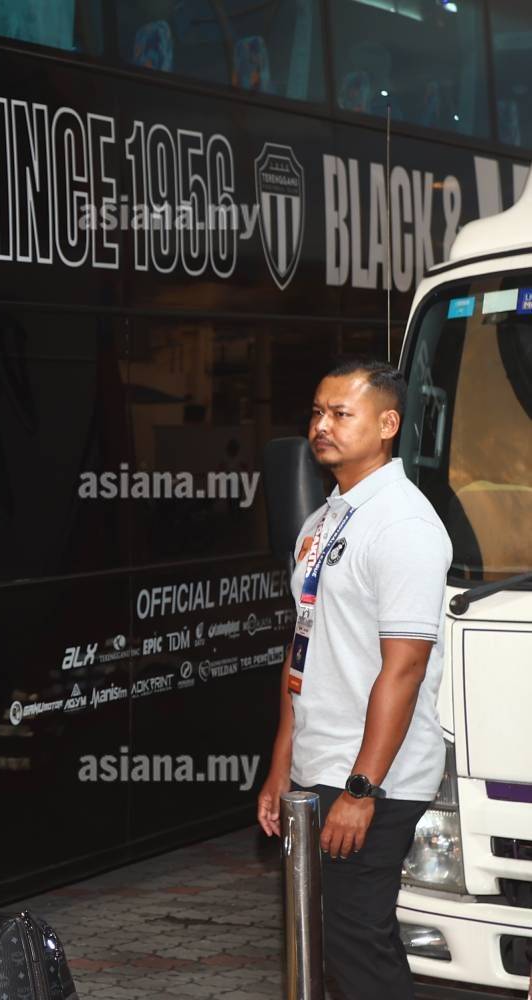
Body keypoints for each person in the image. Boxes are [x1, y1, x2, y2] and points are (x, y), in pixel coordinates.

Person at [257, 358, 452, 999]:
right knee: (329, 939)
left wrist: (361, 789)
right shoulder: (323, 521)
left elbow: (405, 667)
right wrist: (281, 767)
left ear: (388, 425)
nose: (322, 425)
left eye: (342, 414)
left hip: (373, 776)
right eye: (317, 412)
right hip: (320, 765)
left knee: (354, 943)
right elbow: (302, 651)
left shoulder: (403, 524)